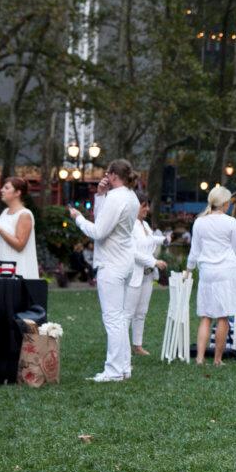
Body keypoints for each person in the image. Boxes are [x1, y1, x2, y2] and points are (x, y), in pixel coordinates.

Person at [69, 160, 141, 382]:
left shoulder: (117, 197)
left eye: (106, 175)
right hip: (124, 260)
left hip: (112, 263)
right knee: (119, 318)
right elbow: (105, 222)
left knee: (113, 318)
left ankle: (113, 370)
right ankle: (124, 367)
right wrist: (99, 196)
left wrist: (78, 218)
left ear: (111, 175)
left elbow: (98, 231)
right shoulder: (131, 196)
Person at [187, 186, 236, 366]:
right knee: (223, 317)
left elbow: (194, 251)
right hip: (226, 271)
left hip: (207, 272)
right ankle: (218, 359)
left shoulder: (199, 222)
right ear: (225, 204)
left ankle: (199, 358)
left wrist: (188, 270)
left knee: (205, 316)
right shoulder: (230, 222)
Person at [130, 191, 167, 356]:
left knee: (142, 311)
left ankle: (137, 345)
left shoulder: (144, 225)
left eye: (147, 206)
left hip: (147, 274)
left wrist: (164, 239)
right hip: (134, 273)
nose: (147, 209)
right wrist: (154, 262)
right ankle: (123, 346)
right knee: (128, 312)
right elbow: (133, 253)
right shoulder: (129, 225)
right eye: (144, 206)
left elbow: (151, 240)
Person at [0, 177, 38, 279]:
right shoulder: (5, 212)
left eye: (6, 188)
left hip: (15, 271)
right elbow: (2, 237)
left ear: (17, 193)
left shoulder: (24, 215)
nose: (1, 190)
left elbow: (20, 245)